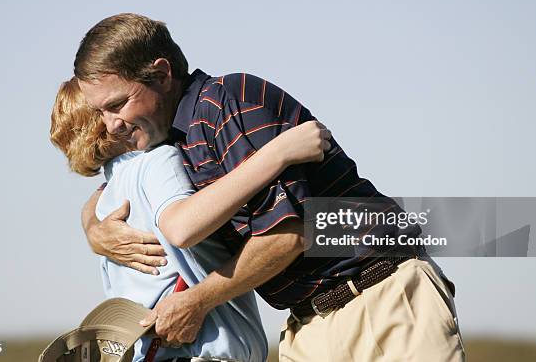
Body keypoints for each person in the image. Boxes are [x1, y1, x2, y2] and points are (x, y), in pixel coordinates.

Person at [74, 13, 466, 361]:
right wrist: (93, 228)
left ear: (161, 75)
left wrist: (195, 303)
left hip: (380, 300)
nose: (110, 124)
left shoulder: (225, 102)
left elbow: (287, 236)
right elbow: (116, 185)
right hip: (308, 325)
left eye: (118, 104)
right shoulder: (171, 142)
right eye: (100, 112)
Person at [50, 77, 331, 361]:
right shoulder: (158, 161)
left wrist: (90, 225)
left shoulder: (107, 199)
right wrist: (278, 153)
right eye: (111, 106)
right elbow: (181, 227)